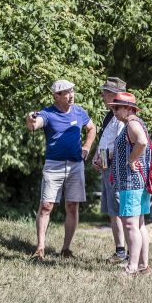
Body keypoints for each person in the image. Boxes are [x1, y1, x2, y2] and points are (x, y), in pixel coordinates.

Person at [25, 79, 96, 260]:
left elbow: (91, 128)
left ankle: (66, 249)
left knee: (72, 206)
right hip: (53, 166)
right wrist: (29, 119)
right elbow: (35, 124)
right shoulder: (47, 113)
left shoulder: (79, 112)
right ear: (56, 96)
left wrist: (87, 147)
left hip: (75, 166)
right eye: (66, 93)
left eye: (72, 91)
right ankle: (40, 248)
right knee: (46, 206)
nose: (71, 96)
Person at [110, 92, 151, 275]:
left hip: (131, 182)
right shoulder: (135, 123)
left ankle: (131, 267)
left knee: (130, 224)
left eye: (116, 108)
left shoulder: (132, 124)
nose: (114, 111)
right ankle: (142, 265)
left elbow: (141, 142)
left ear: (128, 108)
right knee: (139, 224)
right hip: (139, 182)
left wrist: (131, 160)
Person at [92, 77, 127, 263]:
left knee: (118, 209)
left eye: (106, 92)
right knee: (112, 210)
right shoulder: (109, 115)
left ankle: (125, 252)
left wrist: (104, 159)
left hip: (116, 169)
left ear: (115, 95)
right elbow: (105, 141)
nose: (102, 95)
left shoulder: (122, 116)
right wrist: (97, 158)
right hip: (107, 166)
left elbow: (119, 145)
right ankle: (120, 250)